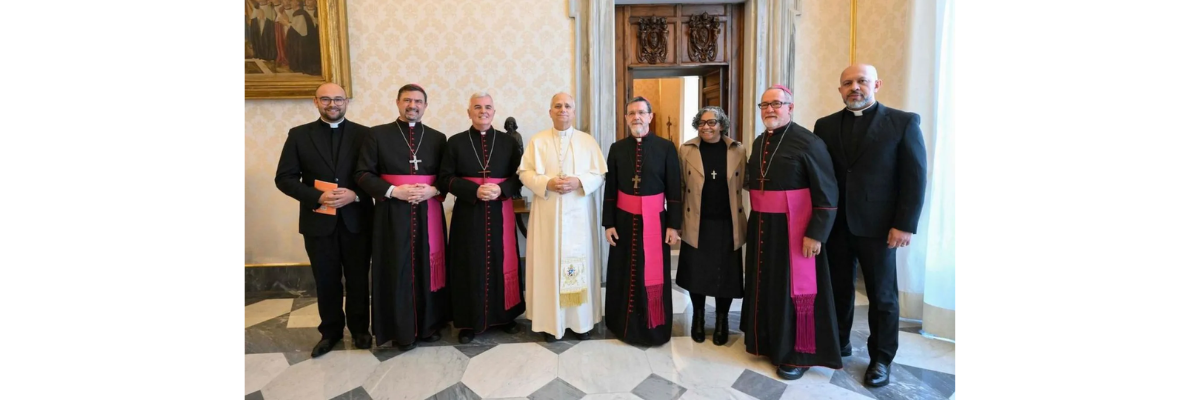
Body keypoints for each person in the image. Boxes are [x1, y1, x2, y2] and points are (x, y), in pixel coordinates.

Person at [813, 64, 927, 388]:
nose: (855, 87)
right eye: (847, 82)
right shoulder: (825, 125)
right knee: (837, 290)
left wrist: (904, 224)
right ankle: (838, 343)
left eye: (862, 81)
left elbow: (914, 177)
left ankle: (881, 358)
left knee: (883, 297)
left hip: (880, 228)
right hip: (836, 226)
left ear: (876, 84)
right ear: (840, 89)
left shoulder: (903, 122)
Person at [741, 84, 842, 380]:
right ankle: (767, 342)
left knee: (792, 290)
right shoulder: (761, 140)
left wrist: (816, 233)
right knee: (768, 286)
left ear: (790, 107)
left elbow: (827, 191)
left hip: (794, 230)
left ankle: (798, 355)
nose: (770, 110)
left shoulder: (809, 142)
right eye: (764, 105)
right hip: (763, 227)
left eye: (776, 103)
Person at [274, 83, 374, 357]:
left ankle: (360, 329)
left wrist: (355, 195)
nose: (333, 104)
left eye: (338, 99)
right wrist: (317, 196)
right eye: (326, 99)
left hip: (357, 220)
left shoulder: (365, 134)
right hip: (318, 222)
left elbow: (375, 176)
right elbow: (284, 178)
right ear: (315, 101)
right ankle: (330, 332)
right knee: (326, 279)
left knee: (358, 279)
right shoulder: (299, 135)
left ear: (346, 102)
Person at [354, 83, 450, 351]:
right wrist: (394, 191)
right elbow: (362, 174)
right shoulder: (377, 135)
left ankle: (429, 325)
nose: (412, 106)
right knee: (396, 269)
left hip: (428, 211)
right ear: (397, 103)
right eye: (407, 100)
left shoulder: (437, 138)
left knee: (428, 267)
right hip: (392, 214)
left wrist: (434, 189)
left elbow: (447, 175)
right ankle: (400, 331)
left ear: (425, 106)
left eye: (418, 101)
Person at [518, 92, 607, 343]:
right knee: (549, 264)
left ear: (574, 112)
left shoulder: (587, 141)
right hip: (548, 216)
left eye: (568, 106)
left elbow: (599, 174)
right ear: (550, 112)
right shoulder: (538, 141)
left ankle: (581, 322)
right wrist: (547, 183)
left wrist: (579, 181)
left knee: (580, 262)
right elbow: (524, 172)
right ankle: (550, 323)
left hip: (579, 215)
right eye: (557, 106)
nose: (563, 110)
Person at [438, 92, 525, 344]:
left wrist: (502, 189)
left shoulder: (508, 143)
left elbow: (520, 176)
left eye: (487, 107)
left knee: (502, 259)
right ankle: (468, 321)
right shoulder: (455, 142)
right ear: (469, 113)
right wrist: (473, 190)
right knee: (468, 263)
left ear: (494, 112)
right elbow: (445, 178)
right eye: (477, 107)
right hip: (469, 212)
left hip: (500, 211)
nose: (483, 111)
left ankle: (506, 316)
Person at [602, 96, 682, 347]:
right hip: (623, 222)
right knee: (622, 271)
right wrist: (608, 223)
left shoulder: (666, 147)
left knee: (652, 273)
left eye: (641, 112)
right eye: (631, 113)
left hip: (655, 221)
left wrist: (673, 225)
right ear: (626, 118)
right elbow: (610, 189)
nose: (636, 117)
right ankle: (620, 323)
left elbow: (674, 189)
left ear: (650, 116)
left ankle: (653, 327)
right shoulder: (617, 148)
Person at [676, 106, 746, 346]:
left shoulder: (738, 150)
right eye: (702, 123)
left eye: (712, 122)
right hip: (697, 221)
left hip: (728, 223)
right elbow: (680, 186)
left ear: (722, 125)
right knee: (696, 273)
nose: (706, 127)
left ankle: (722, 321)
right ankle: (698, 318)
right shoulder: (686, 150)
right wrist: (676, 222)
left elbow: (746, 182)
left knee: (726, 276)